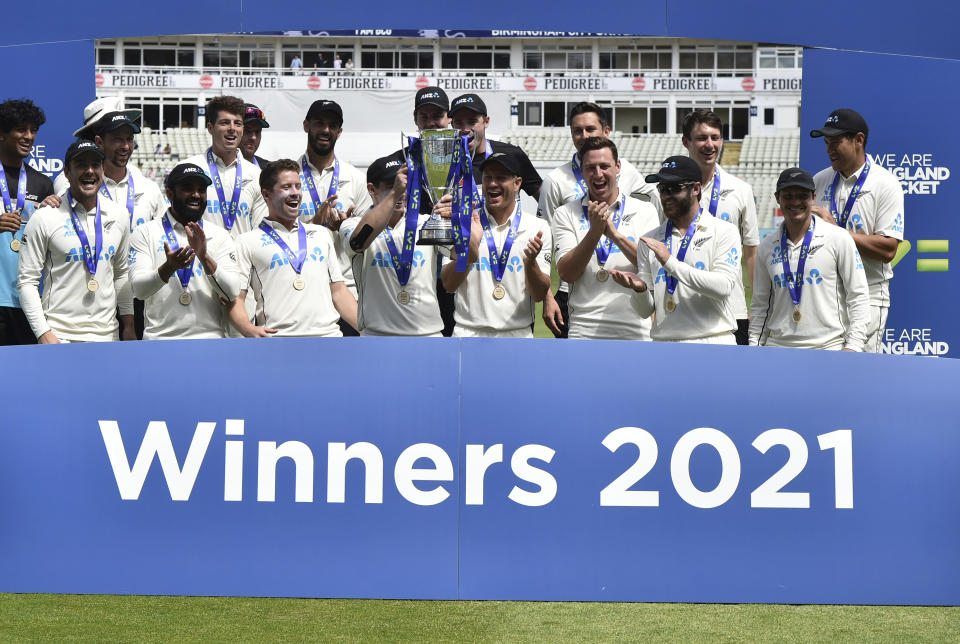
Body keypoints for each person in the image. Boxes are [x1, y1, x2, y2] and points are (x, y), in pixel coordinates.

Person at [538, 101, 662, 338]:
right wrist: (595, 232)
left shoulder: (644, 210)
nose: (598, 174)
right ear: (581, 171)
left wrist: (613, 234)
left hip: (636, 328)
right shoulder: (566, 211)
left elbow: (652, 266)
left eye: (604, 166)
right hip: (584, 330)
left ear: (618, 167)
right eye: (590, 168)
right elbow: (566, 273)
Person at [611, 156, 741, 344]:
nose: (666, 196)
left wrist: (670, 262)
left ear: (696, 189)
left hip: (712, 342)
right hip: (665, 344)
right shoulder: (651, 240)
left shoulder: (723, 231)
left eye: (674, 188)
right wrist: (639, 290)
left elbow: (723, 287)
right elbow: (644, 311)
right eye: (662, 189)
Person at [17, 140, 133, 343]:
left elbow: (121, 274)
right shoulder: (45, 217)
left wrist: (129, 325)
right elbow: (27, 281)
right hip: (59, 337)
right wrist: (44, 333)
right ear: (67, 173)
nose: (89, 171)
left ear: (103, 170)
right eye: (81, 165)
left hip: (108, 337)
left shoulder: (120, 215)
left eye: (95, 165)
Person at [810, 108, 904, 354]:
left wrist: (836, 230)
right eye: (827, 143)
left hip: (869, 294)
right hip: (825, 295)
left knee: (858, 374)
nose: (830, 150)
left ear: (859, 140)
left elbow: (888, 249)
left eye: (836, 142)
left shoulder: (885, 183)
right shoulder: (819, 180)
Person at [230, 159, 357, 338]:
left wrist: (364, 328)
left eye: (298, 186)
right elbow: (236, 299)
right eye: (286, 187)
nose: (295, 193)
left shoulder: (321, 234)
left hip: (328, 339)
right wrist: (248, 329)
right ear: (267, 195)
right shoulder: (246, 242)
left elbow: (339, 291)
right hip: (279, 342)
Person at [750, 168, 870, 350]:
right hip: (779, 348)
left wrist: (853, 346)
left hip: (828, 347)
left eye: (802, 196)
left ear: (813, 198)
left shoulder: (838, 238)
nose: (795, 202)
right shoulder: (768, 245)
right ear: (777, 198)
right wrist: (755, 348)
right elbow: (760, 306)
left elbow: (858, 295)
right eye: (788, 196)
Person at [440, 150, 551, 337]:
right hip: (468, 334)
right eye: (487, 178)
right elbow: (449, 285)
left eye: (501, 178)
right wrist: (468, 253)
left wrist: (531, 263)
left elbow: (539, 294)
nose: (492, 184)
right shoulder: (462, 221)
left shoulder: (537, 227)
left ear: (517, 184)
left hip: (518, 334)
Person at [129, 163, 240, 340]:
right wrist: (169, 267)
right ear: (170, 194)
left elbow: (232, 291)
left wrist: (204, 258)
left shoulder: (220, 235)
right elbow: (139, 290)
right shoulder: (145, 232)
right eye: (188, 189)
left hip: (210, 340)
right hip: (160, 341)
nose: (196, 195)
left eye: (201, 189)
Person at [341, 154, 445, 336]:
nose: (402, 192)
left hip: (428, 336)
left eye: (405, 185)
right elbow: (358, 243)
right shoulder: (352, 224)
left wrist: (461, 219)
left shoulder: (426, 223)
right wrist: (395, 192)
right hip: (377, 336)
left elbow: (462, 257)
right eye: (391, 186)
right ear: (371, 189)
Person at [681, 109, 758, 345]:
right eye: (702, 138)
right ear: (686, 142)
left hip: (731, 309)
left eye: (715, 137)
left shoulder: (740, 190)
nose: (710, 144)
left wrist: (755, 305)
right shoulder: (669, 192)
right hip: (684, 306)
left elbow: (752, 252)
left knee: (733, 381)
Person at [297, 99, 372, 335]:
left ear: (340, 131)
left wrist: (347, 228)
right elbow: (276, 233)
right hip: (302, 291)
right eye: (319, 123)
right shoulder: (289, 176)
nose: (325, 130)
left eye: (332, 125)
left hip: (348, 291)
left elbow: (368, 238)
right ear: (306, 125)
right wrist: (314, 225)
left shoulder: (355, 178)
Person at [0, 99, 54, 344]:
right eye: (21, 129)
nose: (29, 136)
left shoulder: (42, 184)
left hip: (27, 298)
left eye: (33, 130)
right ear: (2, 133)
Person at [182, 95, 266, 240]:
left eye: (238, 123)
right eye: (225, 123)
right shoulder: (189, 168)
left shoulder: (257, 175)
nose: (232, 128)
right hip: (201, 259)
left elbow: (261, 233)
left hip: (242, 261)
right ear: (210, 128)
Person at [450, 93, 542, 200]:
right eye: (459, 122)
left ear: (486, 121)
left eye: (472, 122)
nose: (465, 129)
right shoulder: (445, 161)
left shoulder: (512, 154)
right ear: (452, 125)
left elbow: (544, 199)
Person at [240, 103, 270, 168]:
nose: (253, 137)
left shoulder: (270, 170)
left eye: (257, 132)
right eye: (247, 131)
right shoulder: (216, 169)